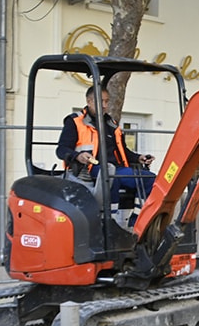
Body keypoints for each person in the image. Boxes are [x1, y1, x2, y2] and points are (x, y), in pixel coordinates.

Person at [56, 86, 155, 225]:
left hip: (115, 168)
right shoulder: (75, 122)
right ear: (89, 101)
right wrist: (78, 156)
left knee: (149, 178)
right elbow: (61, 149)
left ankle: (138, 221)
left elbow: (123, 151)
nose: (104, 105)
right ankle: (109, 222)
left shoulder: (111, 124)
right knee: (110, 175)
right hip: (90, 169)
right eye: (100, 101)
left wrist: (139, 157)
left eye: (107, 101)